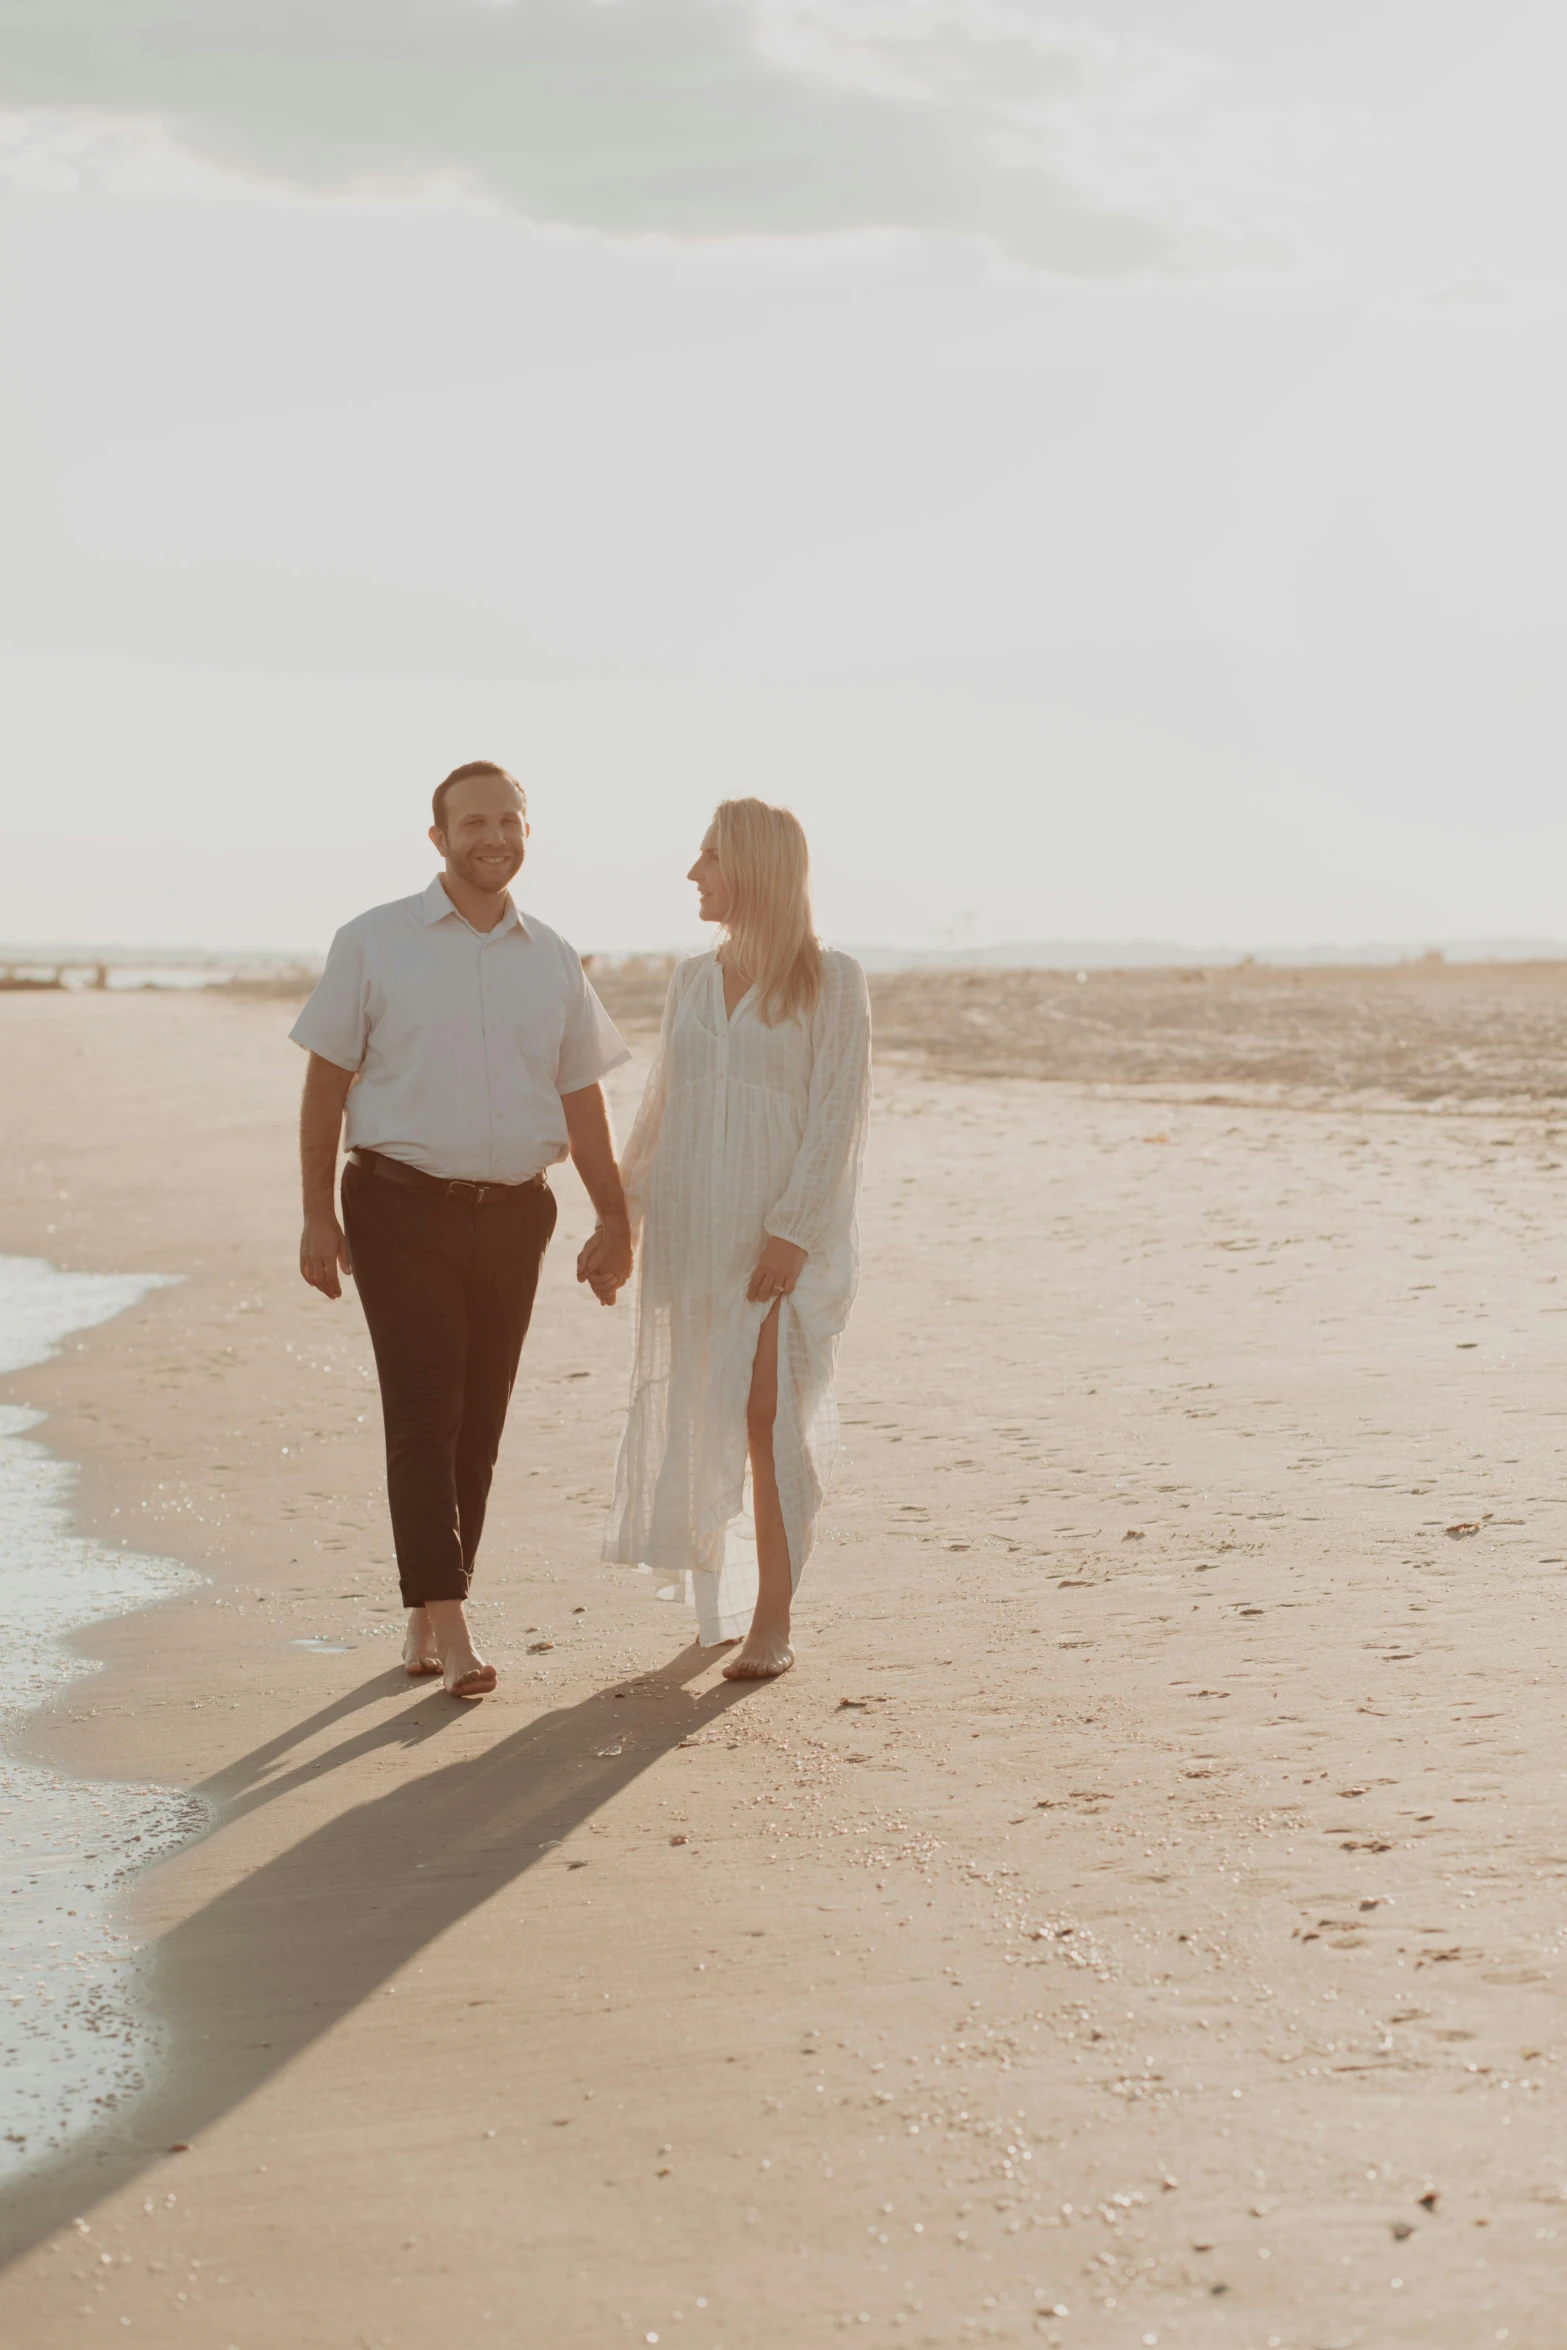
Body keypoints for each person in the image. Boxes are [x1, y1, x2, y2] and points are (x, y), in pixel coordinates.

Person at [291, 760, 632, 1697]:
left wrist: (615, 1216)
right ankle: (451, 1622)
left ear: (527, 833)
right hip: (398, 1204)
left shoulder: (553, 955)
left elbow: (582, 1094)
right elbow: (327, 1085)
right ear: (437, 838)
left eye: (509, 822)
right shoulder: (373, 941)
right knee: (425, 1408)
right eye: (473, 822)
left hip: (516, 1212)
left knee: (478, 1421)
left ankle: (424, 1609)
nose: (494, 838)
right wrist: (319, 1214)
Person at [602, 798, 871, 1679]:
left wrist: (791, 1233)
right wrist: (623, 1216)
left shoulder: (833, 979)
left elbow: (836, 1117)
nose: (693, 874)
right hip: (695, 1228)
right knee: (710, 1409)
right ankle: (717, 1609)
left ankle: (774, 1620)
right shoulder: (688, 978)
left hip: (777, 1237)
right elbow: (660, 1107)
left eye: (709, 857)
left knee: (769, 1418)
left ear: (752, 868)